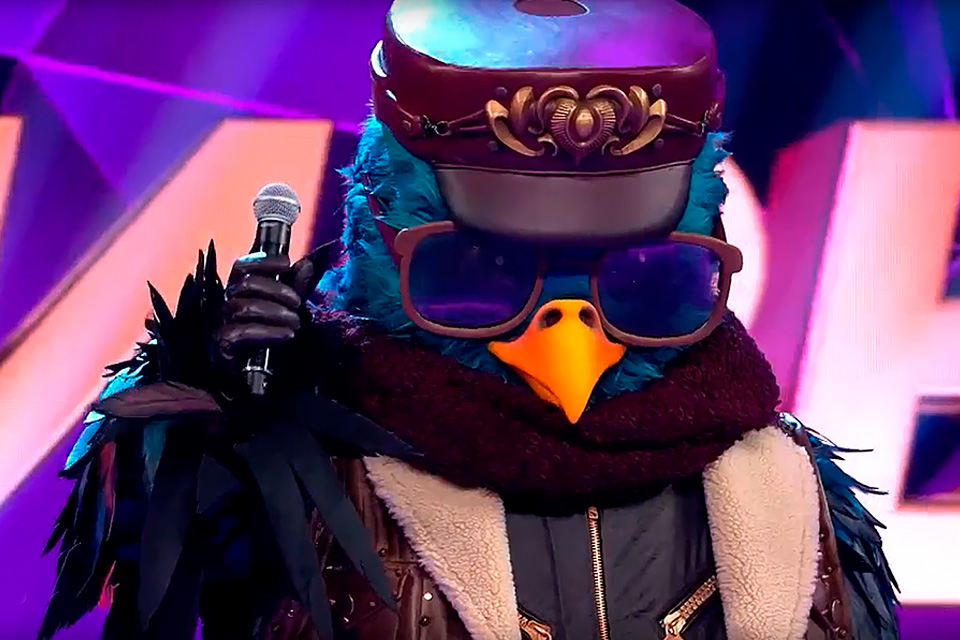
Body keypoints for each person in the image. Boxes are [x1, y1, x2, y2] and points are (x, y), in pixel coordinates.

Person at [41, 1, 899, 639]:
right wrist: (206, 412)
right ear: (383, 236)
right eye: (483, 276)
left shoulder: (785, 488)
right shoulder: (307, 455)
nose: (571, 337)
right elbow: (159, 567)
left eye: (641, 278)